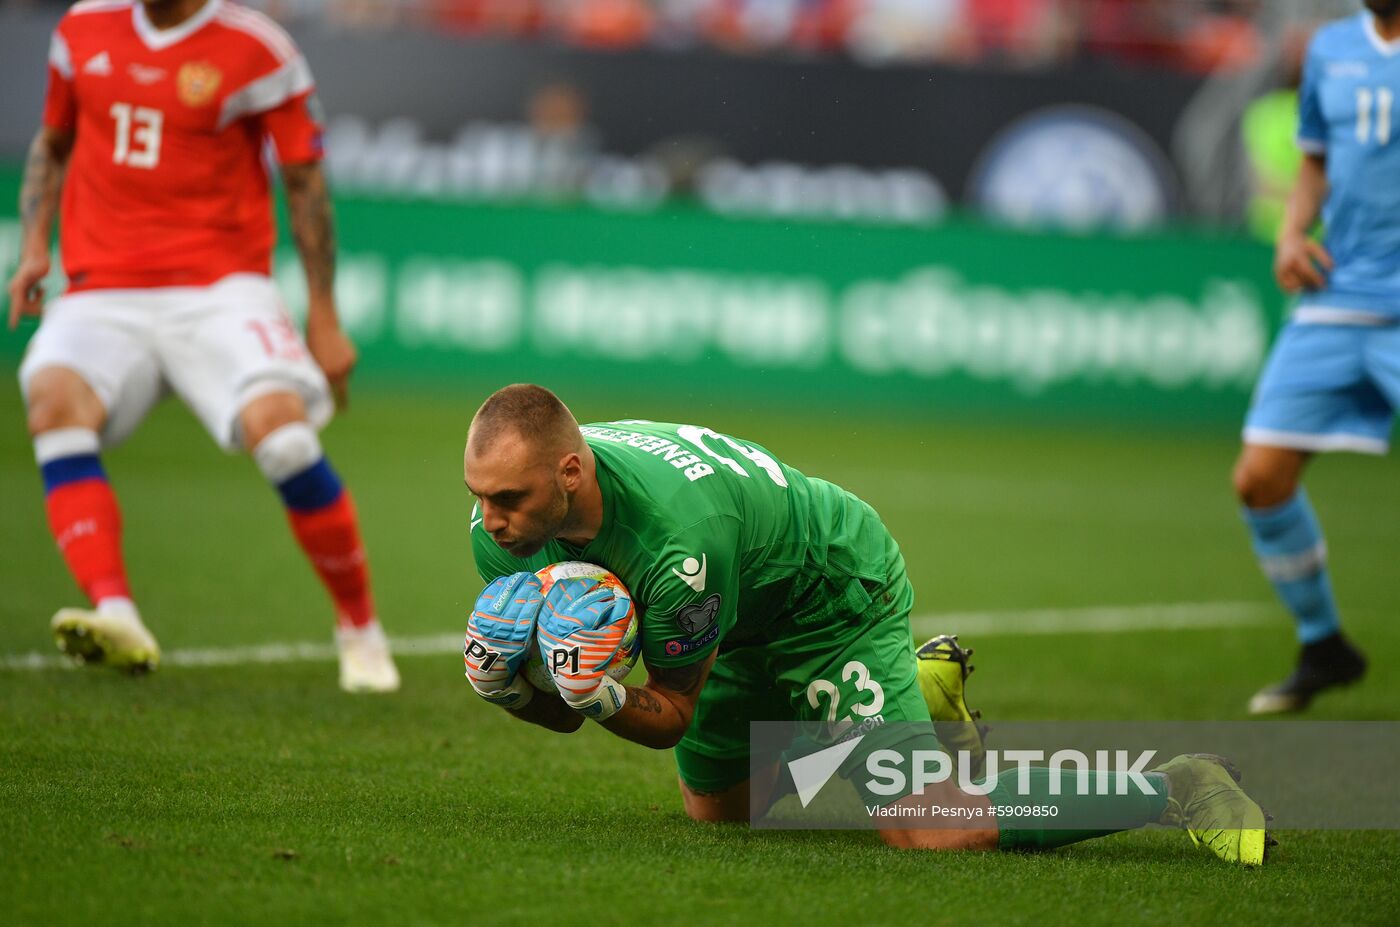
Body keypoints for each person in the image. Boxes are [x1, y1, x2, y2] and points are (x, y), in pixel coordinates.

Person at [462, 383, 1268, 864]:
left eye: (510, 499)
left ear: (571, 470)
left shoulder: (679, 545)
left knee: (932, 830)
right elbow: (559, 715)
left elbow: (669, 713)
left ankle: (1175, 784)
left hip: (827, 594)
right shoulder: (506, 532)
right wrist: (514, 691)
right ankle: (911, 692)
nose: (492, 519)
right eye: (481, 494)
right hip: (741, 614)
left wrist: (595, 695)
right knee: (722, 813)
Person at [7, 0, 398, 692]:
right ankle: (116, 609)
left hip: (221, 287)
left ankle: (360, 626)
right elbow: (54, 139)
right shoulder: (81, 30)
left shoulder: (260, 51)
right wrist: (35, 245)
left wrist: (325, 317)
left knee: (282, 435)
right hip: (104, 286)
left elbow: (305, 182)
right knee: (53, 401)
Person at [1231, 1, 1400, 714]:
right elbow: (1315, 160)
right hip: (1336, 292)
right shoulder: (1331, 48)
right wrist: (1293, 232)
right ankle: (1324, 643)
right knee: (1260, 479)